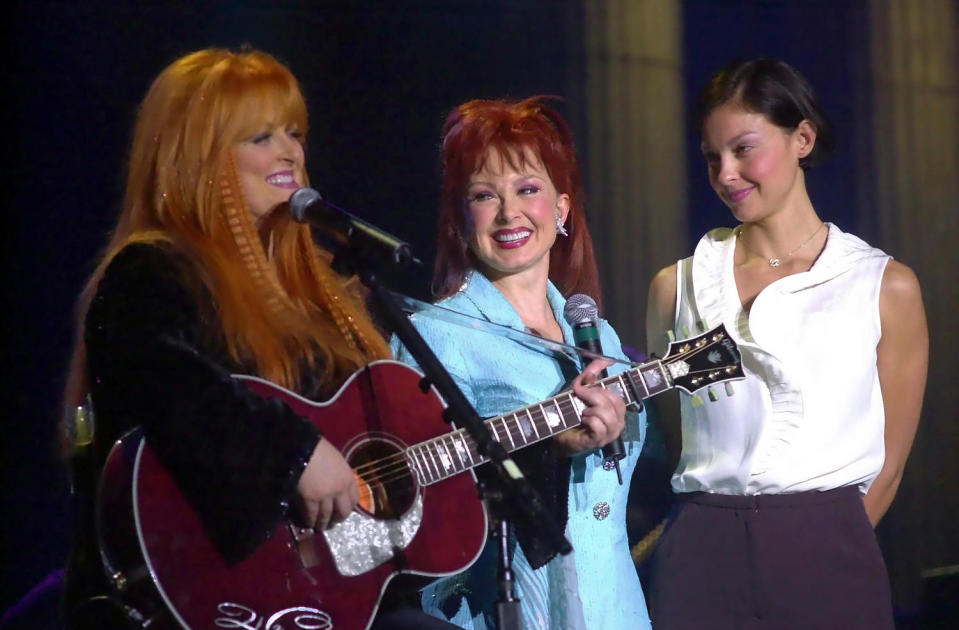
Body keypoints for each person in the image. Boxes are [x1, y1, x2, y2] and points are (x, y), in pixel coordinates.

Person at [60, 48, 456, 630]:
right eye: (260, 136)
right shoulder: (152, 271)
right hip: (210, 598)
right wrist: (291, 453)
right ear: (196, 157)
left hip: (333, 592)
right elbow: (167, 385)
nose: (289, 151)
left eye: (293, 133)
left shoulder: (322, 292)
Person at [645, 57, 928, 629]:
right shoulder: (677, 286)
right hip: (699, 552)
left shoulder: (882, 286)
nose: (726, 173)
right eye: (711, 157)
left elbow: (890, 465)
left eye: (743, 149)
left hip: (827, 549)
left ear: (802, 136)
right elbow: (678, 435)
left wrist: (816, 540)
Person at [391, 97, 651, 630]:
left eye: (528, 189)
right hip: (506, 609)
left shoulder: (597, 334)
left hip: (617, 609)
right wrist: (550, 447)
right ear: (462, 220)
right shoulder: (436, 336)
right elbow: (420, 498)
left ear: (561, 208)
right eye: (486, 196)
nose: (510, 213)